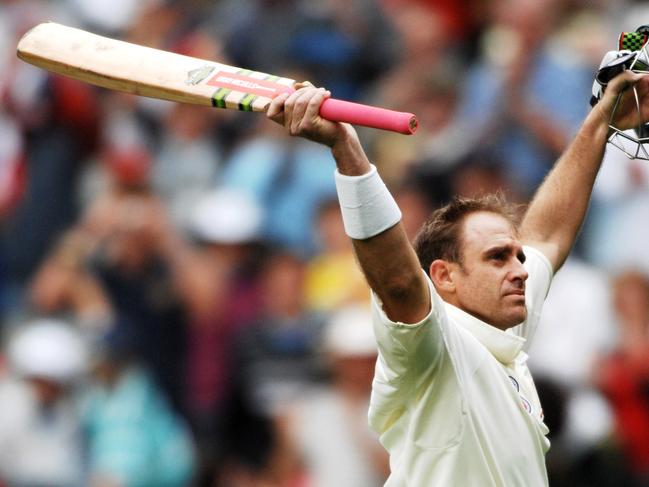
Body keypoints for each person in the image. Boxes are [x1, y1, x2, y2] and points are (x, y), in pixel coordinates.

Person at [264, 62, 649, 484]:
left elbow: (549, 234)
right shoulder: (431, 350)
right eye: (497, 258)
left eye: (517, 258)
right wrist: (347, 151)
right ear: (445, 276)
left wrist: (603, 120)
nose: (520, 271)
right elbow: (398, 281)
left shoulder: (505, 327)